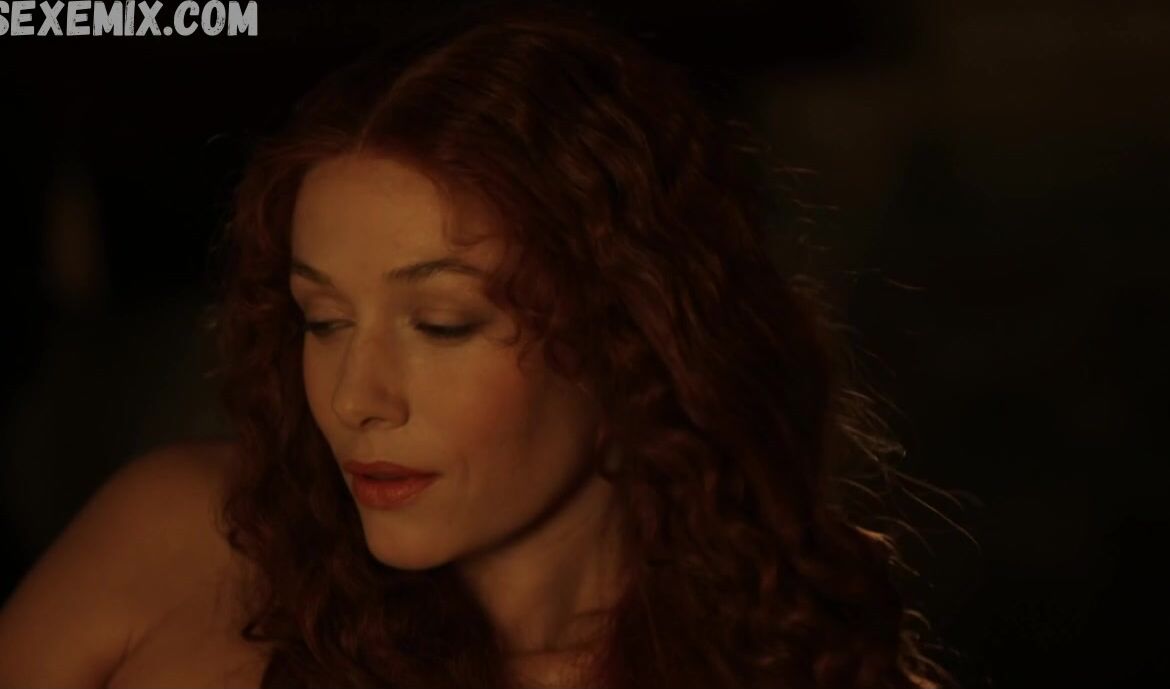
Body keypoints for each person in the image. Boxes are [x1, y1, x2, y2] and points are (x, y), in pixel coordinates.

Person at [0, 6, 953, 689]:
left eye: (442, 323)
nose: (357, 398)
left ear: (626, 333)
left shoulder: (781, 663)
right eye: (324, 320)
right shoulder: (181, 535)